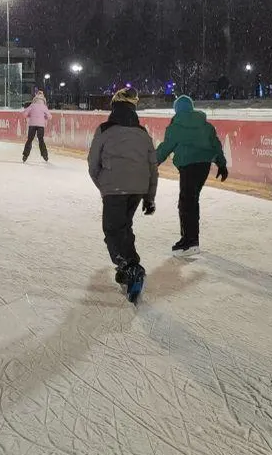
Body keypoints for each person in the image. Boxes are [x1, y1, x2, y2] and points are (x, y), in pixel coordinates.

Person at [87, 88, 158, 303]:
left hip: (114, 188)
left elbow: (92, 163)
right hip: (138, 188)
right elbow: (152, 167)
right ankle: (127, 267)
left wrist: (104, 186)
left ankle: (130, 266)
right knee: (124, 227)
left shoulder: (105, 129)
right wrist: (149, 196)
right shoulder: (142, 133)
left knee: (112, 230)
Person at [155, 95, 228, 256]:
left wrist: (152, 162)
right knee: (191, 200)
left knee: (187, 202)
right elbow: (215, 145)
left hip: (188, 166)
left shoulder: (176, 126)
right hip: (203, 166)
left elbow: (165, 147)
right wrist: (221, 164)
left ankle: (190, 241)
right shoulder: (206, 126)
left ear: (177, 109)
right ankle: (190, 239)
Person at [22, 89, 51, 163]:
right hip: (41, 125)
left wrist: (30, 116)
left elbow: (24, 114)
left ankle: (25, 156)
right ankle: (45, 155)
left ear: (35, 98)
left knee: (30, 139)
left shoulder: (32, 105)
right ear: (43, 98)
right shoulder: (44, 106)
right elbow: (50, 116)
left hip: (32, 125)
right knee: (41, 140)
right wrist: (44, 117)